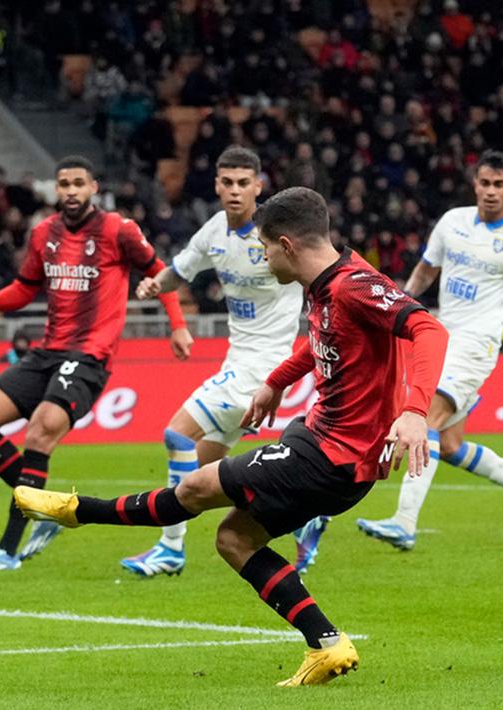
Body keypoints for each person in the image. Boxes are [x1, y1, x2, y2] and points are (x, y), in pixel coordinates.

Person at [15, 187, 449, 685]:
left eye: (265, 247)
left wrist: (415, 410)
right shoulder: (327, 284)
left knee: (196, 487)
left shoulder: (353, 284)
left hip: (332, 454)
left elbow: (428, 329)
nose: (263, 257)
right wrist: (276, 382)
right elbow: (321, 339)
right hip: (326, 444)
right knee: (234, 539)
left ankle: (78, 512)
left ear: (286, 244)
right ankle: (326, 644)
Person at [0, 155, 192, 572]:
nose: (70, 191)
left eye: (78, 184)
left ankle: (8, 549)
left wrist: (177, 326)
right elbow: (25, 288)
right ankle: (48, 509)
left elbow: (161, 272)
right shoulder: (42, 234)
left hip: (89, 355)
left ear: (93, 188)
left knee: (40, 431)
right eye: (63, 184)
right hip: (47, 351)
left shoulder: (117, 230)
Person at [119, 146, 322, 577]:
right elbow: (181, 267)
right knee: (205, 479)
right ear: (216, 185)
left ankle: (170, 550)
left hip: (262, 366)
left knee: (176, 436)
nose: (234, 191)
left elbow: (318, 271)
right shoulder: (213, 231)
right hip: (236, 361)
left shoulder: (278, 235)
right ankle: (303, 511)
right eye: (227, 182)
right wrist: (156, 284)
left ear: (258, 186)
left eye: (243, 183)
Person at [354, 150, 503, 551]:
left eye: (499, 185)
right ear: (475, 184)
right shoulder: (452, 223)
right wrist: (395, 307)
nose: (490, 191)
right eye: (484, 183)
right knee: (448, 446)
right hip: (440, 338)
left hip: (478, 345)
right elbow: (426, 270)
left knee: (425, 418)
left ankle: (404, 522)